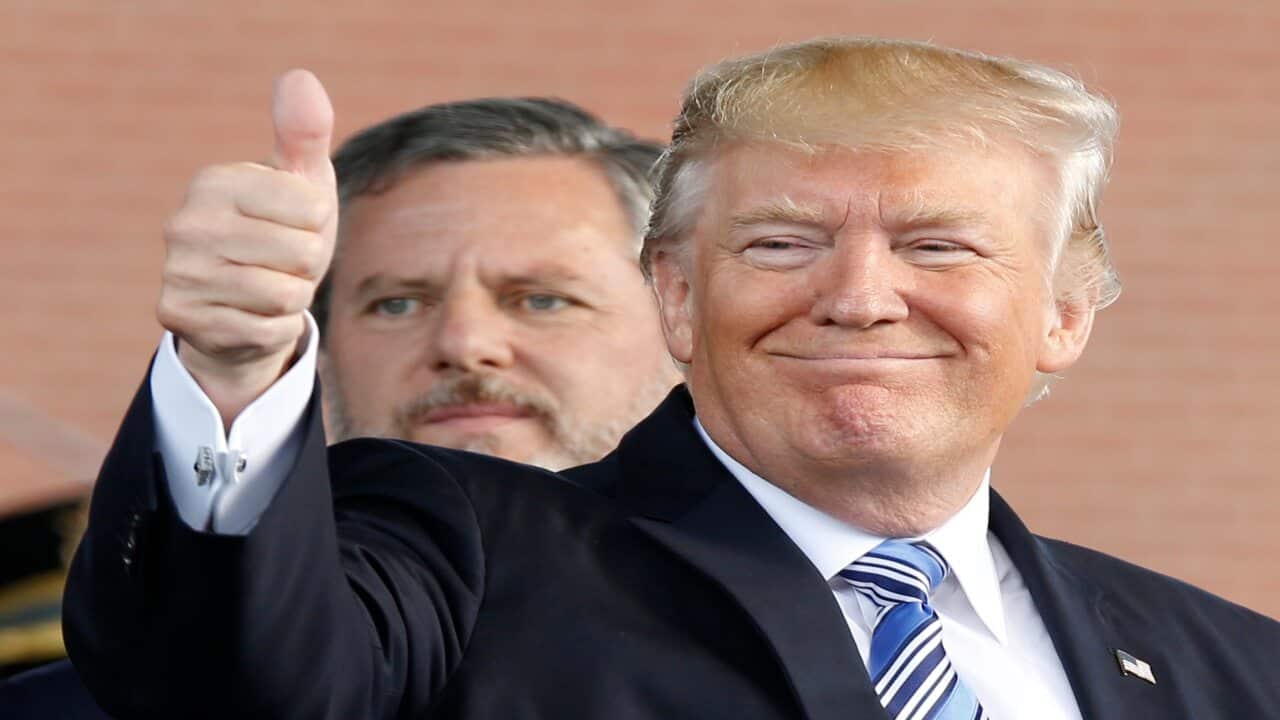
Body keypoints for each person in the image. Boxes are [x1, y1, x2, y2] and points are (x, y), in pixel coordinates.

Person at [63, 37, 1279, 719]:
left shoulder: (1233, 666)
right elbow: (235, 684)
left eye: (936, 244)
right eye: (781, 243)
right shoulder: (465, 546)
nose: (856, 296)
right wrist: (233, 371)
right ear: (679, 299)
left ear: (1062, 314)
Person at [2, 96, 676, 718]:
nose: (464, 344)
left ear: (682, 332)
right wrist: (233, 370)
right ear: (322, 355)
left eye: (542, 300)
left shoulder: (771, 651)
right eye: (397, 304)